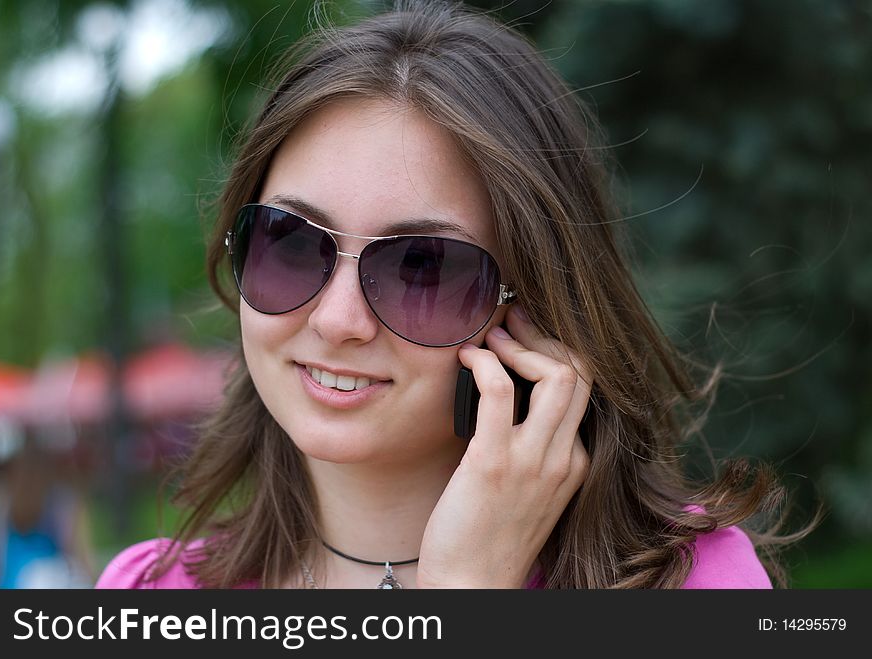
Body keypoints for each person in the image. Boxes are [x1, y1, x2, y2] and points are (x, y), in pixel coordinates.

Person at [96, 0, 812, 590]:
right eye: (291, 241)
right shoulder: (148, 593)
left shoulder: (694, 583)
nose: (338, 319)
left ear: (530, 309)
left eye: (422, 268)